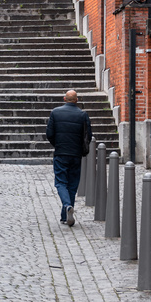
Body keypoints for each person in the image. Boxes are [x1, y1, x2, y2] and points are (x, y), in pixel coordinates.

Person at [46, 89, 92, 226]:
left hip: (61, 152)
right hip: (75, 154)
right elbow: (87, 136)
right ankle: (65, 215)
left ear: (64, 99)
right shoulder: (83, 115)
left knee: (60, 182)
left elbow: (49, 134)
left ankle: (66, 206)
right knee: (72, 184)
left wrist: (57, 144)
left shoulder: (55, 112)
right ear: (76, 100)